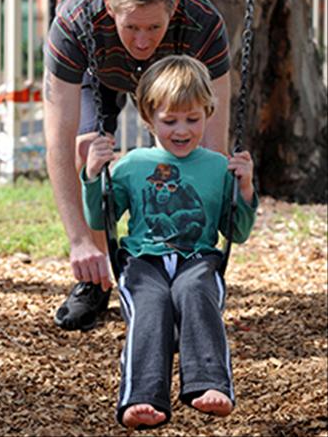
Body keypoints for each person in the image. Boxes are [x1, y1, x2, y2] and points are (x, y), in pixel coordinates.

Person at [43, 0, 232, 332]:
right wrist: (78, 240)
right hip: (99, 70)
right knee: (86, 149)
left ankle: (178, 268)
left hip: (174, 70)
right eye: (131, 27)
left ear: (173, 8)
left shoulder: (202, 22)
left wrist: (205, 253)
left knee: (183, 153)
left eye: (153, 27)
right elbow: (57, 143)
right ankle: (93, 278)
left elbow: (212, 145)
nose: (142, 41)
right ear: (110, 8)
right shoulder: (74, 22)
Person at [80, 55, 258, 429]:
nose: (182, 129)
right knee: (151, 304)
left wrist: (244, 188)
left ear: (207, 113)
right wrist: (93, 175)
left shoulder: (217, 166)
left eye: (193, 119)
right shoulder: (131, 165)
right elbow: (101, 220)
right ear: (148, 118)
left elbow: (237, 233)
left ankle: (210, 384)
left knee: (195, 292)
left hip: (199, 259)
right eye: (170, 119)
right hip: (144, 263)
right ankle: (141, 396)